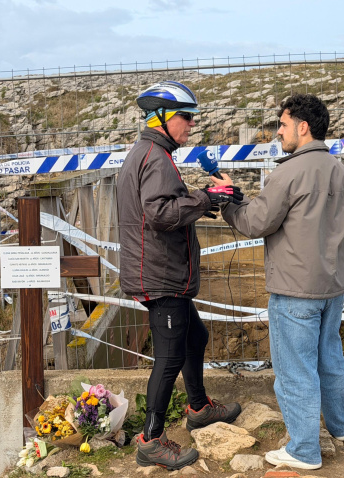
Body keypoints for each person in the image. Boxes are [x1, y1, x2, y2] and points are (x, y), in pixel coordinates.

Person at [215, 93, 344, 470]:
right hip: (332, 284)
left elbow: (255, 222)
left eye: (282, 124)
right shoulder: (343, 173)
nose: (278, 132)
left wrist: (228, 202)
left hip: (295, 288)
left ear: (303, 126)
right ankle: (342, 426)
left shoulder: (289, 171)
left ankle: (304, 450)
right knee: (329, 357)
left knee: (295, 369)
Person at [117, 80, 243, 470]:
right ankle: (151, 440)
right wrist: (208, 198)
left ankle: (199, 408)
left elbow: (165, 205)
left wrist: (207, 198)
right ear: (161, 118)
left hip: (161, 270)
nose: (191, 124)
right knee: (169, 357)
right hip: (160, 274)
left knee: (196, 336)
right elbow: (159, 214)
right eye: (186, 117)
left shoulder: (151, 152)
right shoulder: (155, 157)